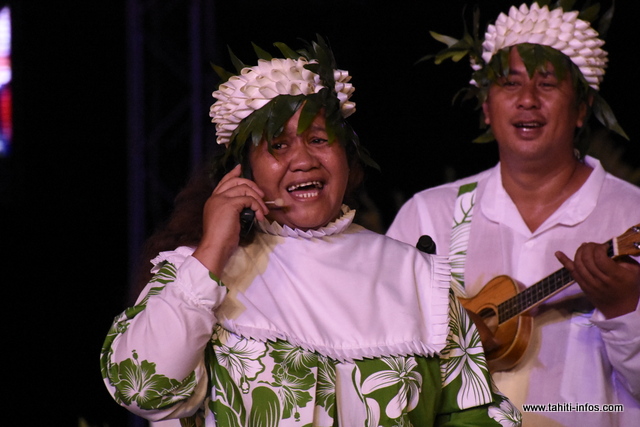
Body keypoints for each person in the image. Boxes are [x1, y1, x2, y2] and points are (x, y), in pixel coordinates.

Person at [100, 37, 520, 426]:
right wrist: (212, 249)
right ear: (244, 172)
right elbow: (142, 389)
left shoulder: (419, 278)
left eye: (319, 139)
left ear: (347, 158)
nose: (303, 161)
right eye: (278, 145)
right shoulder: (196, 275)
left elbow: (474, 415)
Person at [387, 2, 640, 426]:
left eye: (547, 84)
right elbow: (378, 358)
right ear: (487, 106)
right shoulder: (428, 216)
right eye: (510, 84)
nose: (527, 100)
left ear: (582, 108)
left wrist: (624, 309)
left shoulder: (629, 212)